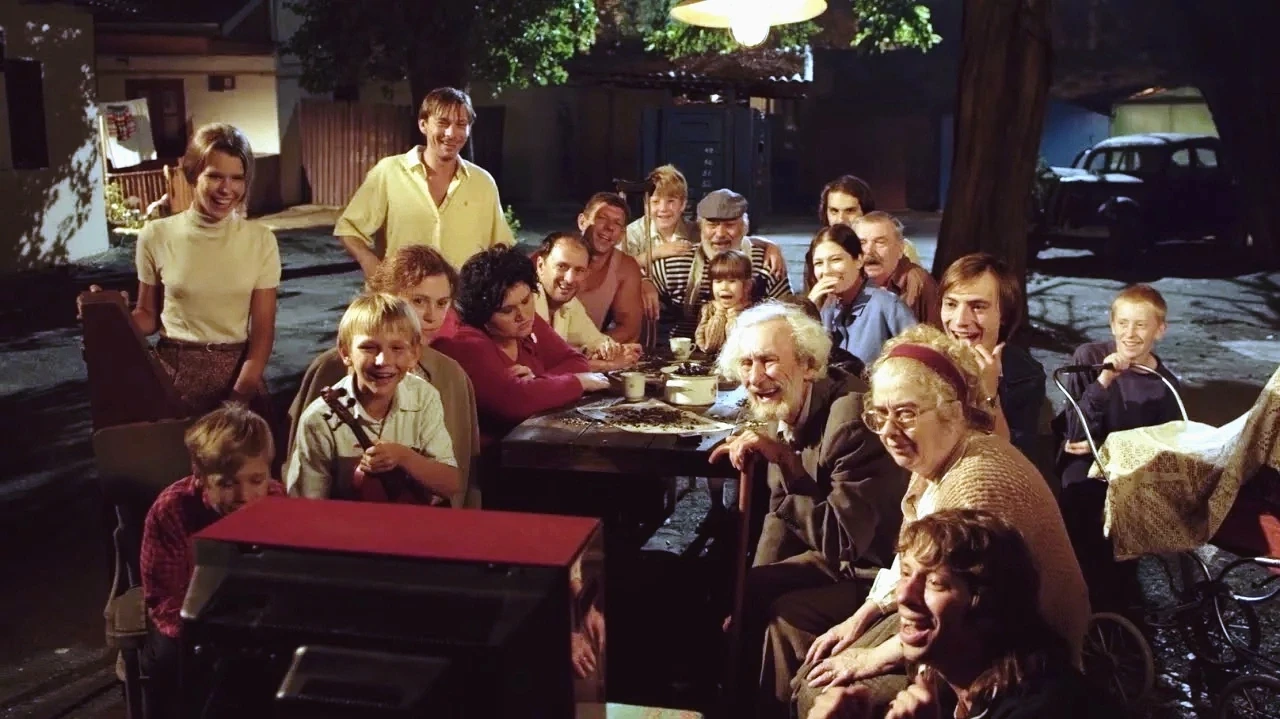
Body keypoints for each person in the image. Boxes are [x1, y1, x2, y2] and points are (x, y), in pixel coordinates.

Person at [793, 325, 1089, 718]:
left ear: (952, 410)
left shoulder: (974, 480)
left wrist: (868, 658)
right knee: (813, 658)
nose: (888, 432)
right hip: (950, 616)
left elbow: (964, 616)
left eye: (905, 414)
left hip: (1010, 656)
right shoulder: (936, 458)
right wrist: (860, 617)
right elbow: (913, 564)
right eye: (879, 415)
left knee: (821, 691)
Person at [710, 302, 907, 718]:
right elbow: (778, 515)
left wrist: (785, 461)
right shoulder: (780, 406)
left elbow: (844, 542)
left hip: (872, 572)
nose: (755, 377)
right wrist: (749, 592)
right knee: (738, 594)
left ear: (809, 365)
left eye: (769, 361)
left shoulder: (849, 418)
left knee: (785, 616)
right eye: (746, 363)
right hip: (831, 556)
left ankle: (776, 709)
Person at [805, 510, 1122, 719]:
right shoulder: (982, 689)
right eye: (905, 573)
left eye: (935, 582)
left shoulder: (1043, 707)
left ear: (988, 603)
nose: (903, 595)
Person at [83, 123, 280, 416]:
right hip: (174, 375)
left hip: (239, 377)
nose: (226, 189)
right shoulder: (155, 235)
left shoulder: (261, 240)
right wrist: (109, 313)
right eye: (214, 176)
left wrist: (238, 400)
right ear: (192, 174)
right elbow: (148, 316)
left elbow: (263, 334)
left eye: (237, 178)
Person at [286, 245, 481, 508]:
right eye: (418, 301)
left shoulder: (449, 375)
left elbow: (459, 476)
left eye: (442, 303)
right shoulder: (331, 367)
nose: (431, 316)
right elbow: (305, 468)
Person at [140, 403, 285, 714]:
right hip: (193, 620)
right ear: (201, 477)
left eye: (257, 480)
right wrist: (215, 638)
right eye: (228, 483)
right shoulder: (171, 510)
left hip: (251, 619)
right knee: (171, 663)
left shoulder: (277, 501)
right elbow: (165, 600)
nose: (244, 496)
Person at [1059, 283, 1180, 611]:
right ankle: (1078, 595)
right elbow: (1075, 433)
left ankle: (1119, 603)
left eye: (1141, 325)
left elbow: (1163, 446)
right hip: (1084, 467)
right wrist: (1104, 381)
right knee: (1082, 502)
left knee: (1127, 521)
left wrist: (1109, 449)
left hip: (1128, 471)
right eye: (1123, 323)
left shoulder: (1165, 385)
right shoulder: (1088, 358)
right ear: (1112, 325)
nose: (1130, 333)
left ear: (1160, 330)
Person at [334, 86, 513, 277]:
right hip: (402, 294)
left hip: (464, 295)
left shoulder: (483, 183)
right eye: (443, 122)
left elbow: (502, 246)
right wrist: (370, 263)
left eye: (461, 124)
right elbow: (349, 229)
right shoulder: (389, 172)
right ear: (423, 124)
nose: (451, 133)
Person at [434, 246, 609, 440]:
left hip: (536, 441)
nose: (522, 315)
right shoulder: (466, 343)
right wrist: (577, 382)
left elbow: (576, 361)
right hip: (494, 454)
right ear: (483, 315)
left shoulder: (526, 323)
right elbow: (514, 402)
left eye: (526, 300)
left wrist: (537, 382)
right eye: (507, 310)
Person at [939, 253, 1047, 467]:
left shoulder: (1025, 375)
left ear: (1004, 315)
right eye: (951, 304)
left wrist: (989, 395)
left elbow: (1014, 461)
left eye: (978, 307)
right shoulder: (922, 361)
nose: (960, 321)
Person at [649, 189, 793, 337]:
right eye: (712, 225)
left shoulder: (767, 263)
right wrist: (645, 282)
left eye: (730, 225)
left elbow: (789, 318)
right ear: (700, 227)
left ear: (744, 228)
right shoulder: (674, 264)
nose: (720, 234)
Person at [804, 224, 916, 367]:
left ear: (859, 260)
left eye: (836, 260)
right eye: (819, 263)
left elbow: (917, 358)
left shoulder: (887, 305)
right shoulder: (827, 308)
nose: (826, 270)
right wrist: (808, 309)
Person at [533, 231, 642, 371]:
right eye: (562, 266)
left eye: (579, 270)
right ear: (540, 266)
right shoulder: (526, 299)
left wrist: (616, 350)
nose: (570, 279)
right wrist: (605, 365)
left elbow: (595, 341)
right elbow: (539, 365)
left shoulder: (570, 304)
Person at [572, 192, 647, 343]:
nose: (609, 227)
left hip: (590, 350)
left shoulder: (625, 268)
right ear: (582, 221)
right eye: (602, 218)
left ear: (621, 235)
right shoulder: (553, 255)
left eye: (617, 223)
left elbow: (629, 328)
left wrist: (593, 346)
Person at [851, 212, 939, 326]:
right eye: (861, 243)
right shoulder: (848, 279)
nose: (869, 250)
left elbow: (936, 333)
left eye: (880, 242)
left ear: (900, 248)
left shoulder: (918, 282)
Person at [818, 175, 919, 266]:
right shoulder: (819, 250)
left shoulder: (899, 248)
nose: (840, 220)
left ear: (866, 212)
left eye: (850, 211)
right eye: (834, 211)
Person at [694, 249, 755, 355]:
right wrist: (719, 313)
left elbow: (740, 346)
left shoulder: (751, 312)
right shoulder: (708, 310)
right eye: (718, 281)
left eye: (732, 281)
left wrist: (733, 315)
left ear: (747, 286)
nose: (724, 287)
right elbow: (707, 344)